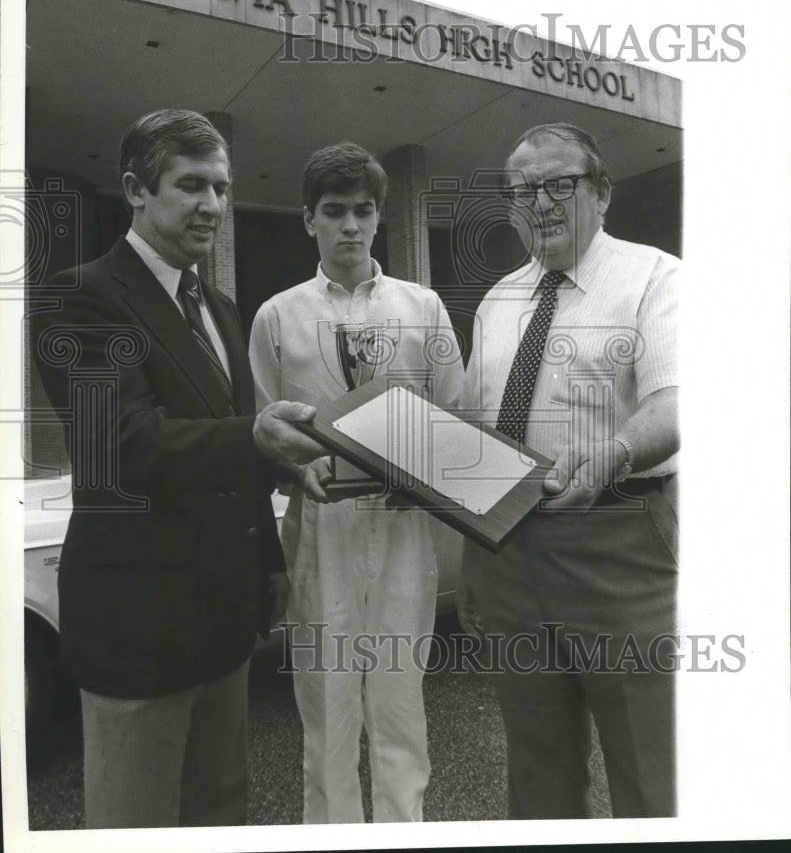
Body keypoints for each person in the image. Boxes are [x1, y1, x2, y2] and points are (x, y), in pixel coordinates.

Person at [31, 109, 325, 829]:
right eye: (192, 186)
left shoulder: (221, 308)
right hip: (138, 630)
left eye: (222, 189)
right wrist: (256, 442)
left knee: (221, 810)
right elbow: (120, 445)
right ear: (135, 188)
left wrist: (272, 555)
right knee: (138, 825)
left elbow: (230, 446)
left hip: (222, 624)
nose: (214, 207)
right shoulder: (80, 297)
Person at [457, 122, 679, 819]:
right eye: (523, 191)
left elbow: (678, 400)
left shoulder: (655, 278)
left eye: (560, 184)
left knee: (651, 773)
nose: (541, 203)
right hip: (507, 557)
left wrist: (612, 453)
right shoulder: (495, 302)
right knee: (536, 773)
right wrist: (472, 554)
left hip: (618, 547)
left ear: (601, 193)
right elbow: (475, 438)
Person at [248, 141, 463, 823]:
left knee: (399, 706)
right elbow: (263, 431)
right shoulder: (277, 315)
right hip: (320, 532)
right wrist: (291, 466)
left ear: (379, 218)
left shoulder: (422, 306)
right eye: (333, 211)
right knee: (326, 712)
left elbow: (454, 417)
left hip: (403, 529)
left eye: (362, 211)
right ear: (307, 219)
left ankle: (404, 832)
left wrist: (423, 475)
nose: (349, 226)